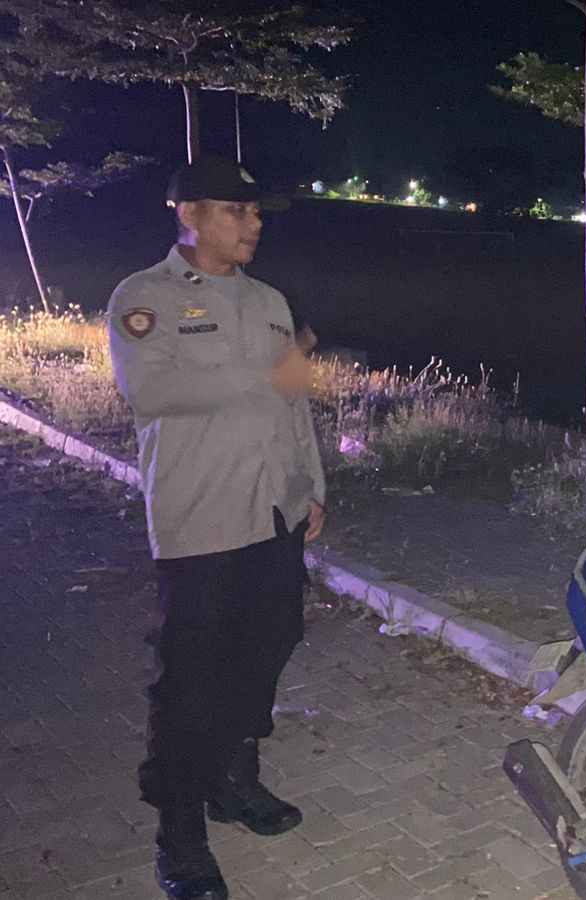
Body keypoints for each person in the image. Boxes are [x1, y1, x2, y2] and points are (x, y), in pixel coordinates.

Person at [108, 155, 327, 900]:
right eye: (237, 211)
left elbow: (294, 403)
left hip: (274, 511)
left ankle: (234, 781)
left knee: (269, 644)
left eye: (257, 212)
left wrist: (311, 486)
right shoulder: (145, 296)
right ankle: (179, 832)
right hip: (201, 517)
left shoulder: (269, 300)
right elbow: (151, 388)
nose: (253, 223)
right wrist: (266, 377)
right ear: (189, 214)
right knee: (191, 678)